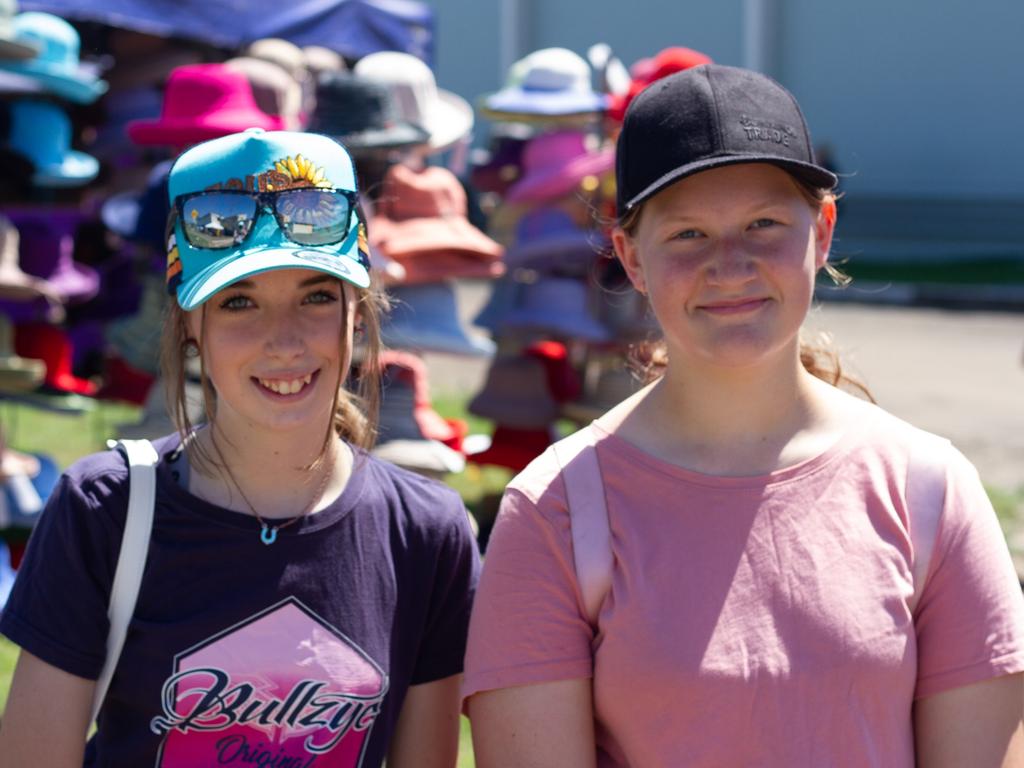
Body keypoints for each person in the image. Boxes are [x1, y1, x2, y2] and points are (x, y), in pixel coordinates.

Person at [462, 64, 1024, 767]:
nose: (731, 265)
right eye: (689, 234)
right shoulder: (556, 510)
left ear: (822, 231)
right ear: (632, 258)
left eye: (763, 223)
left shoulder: (930, 491)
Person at [0, 128, 480, 767]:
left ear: (357, 313)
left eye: (315, 296)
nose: (283, 341)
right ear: (190, 324)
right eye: (239, 303)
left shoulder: (427, 532)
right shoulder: (106, 509)